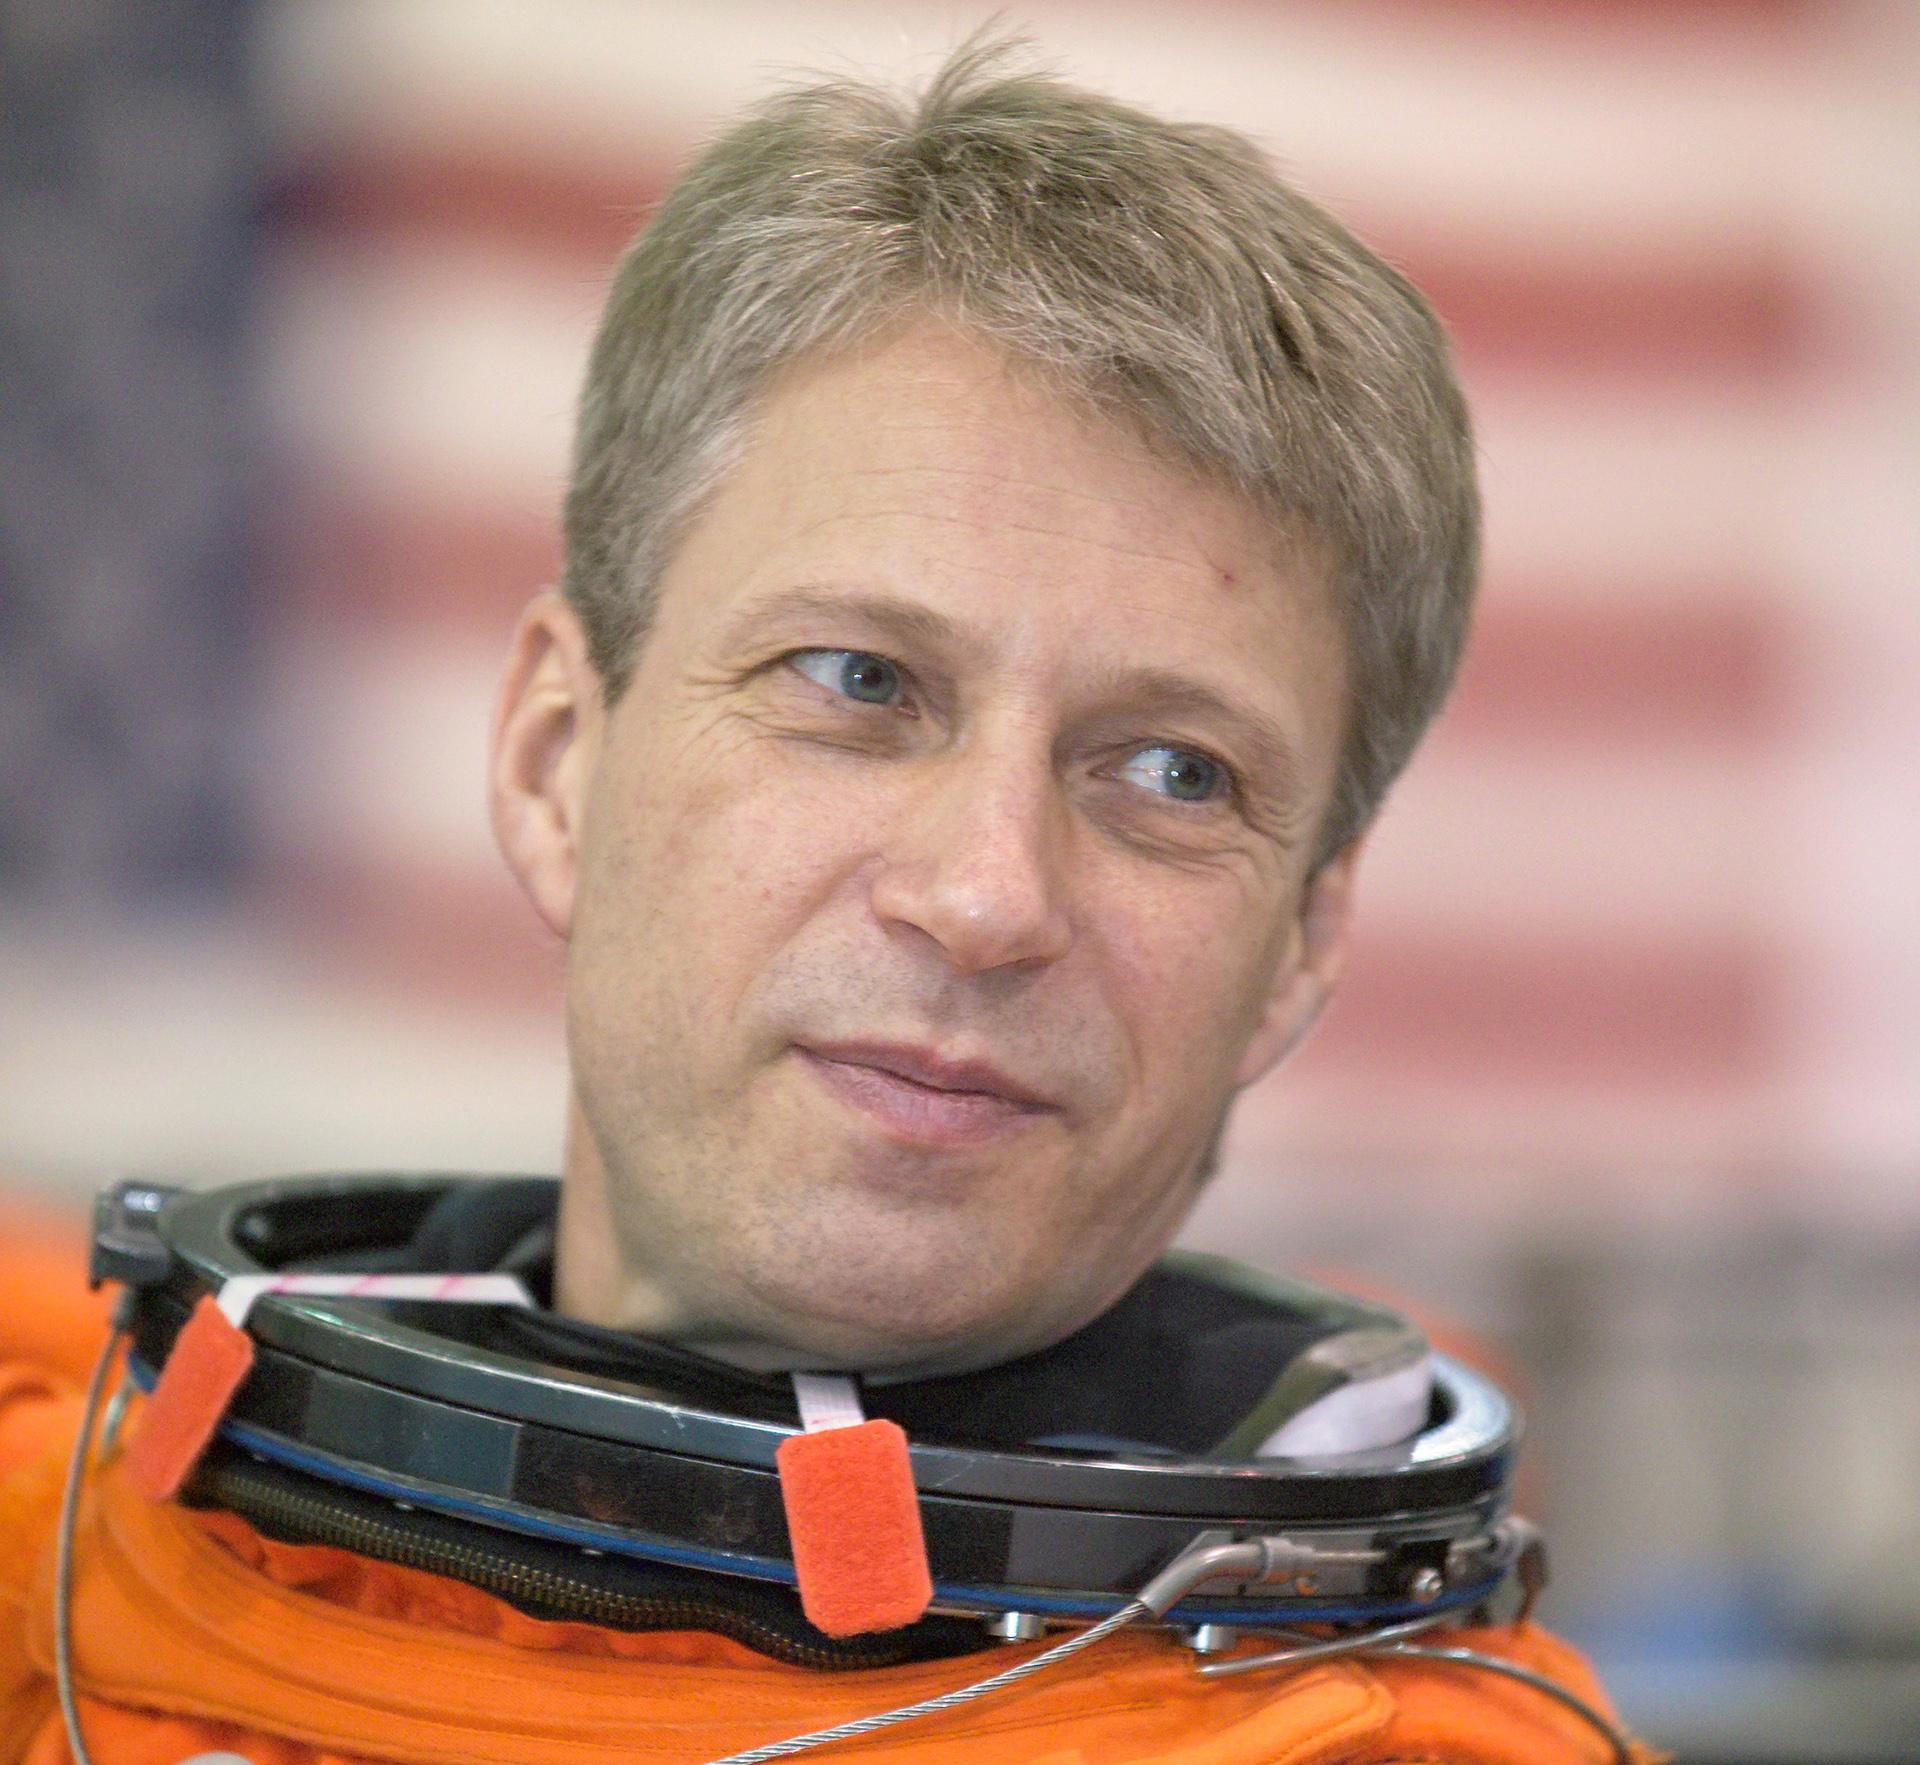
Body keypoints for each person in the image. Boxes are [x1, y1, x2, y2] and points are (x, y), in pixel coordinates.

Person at [0, 38, 1658, 1764]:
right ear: (559, 756)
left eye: (1172, 772)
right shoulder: (48, 1600)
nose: (985, 895)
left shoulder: (1420, 1741)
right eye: (859, 678)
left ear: (1299, 951)